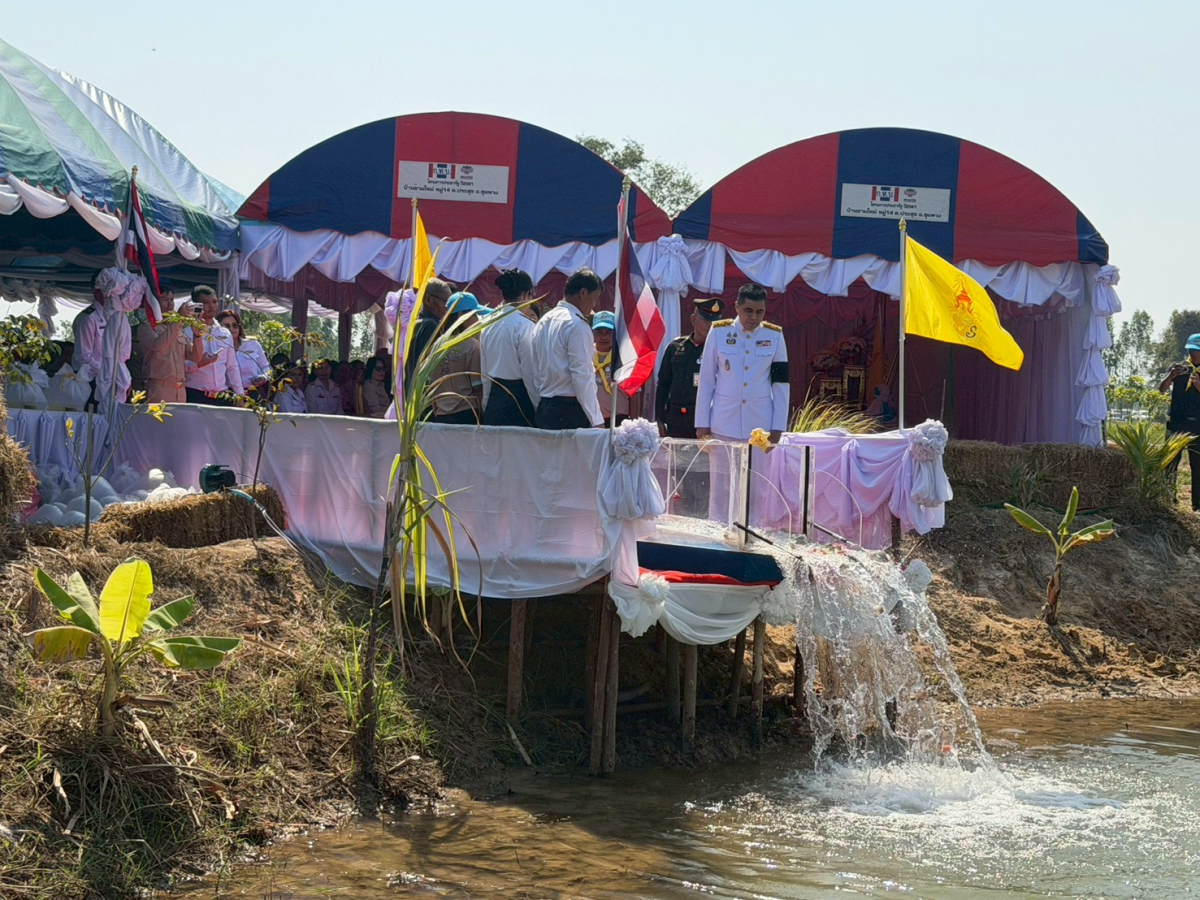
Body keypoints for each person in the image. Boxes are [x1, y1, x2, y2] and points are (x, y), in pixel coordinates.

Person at [695, 284, 789, 443]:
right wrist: (702, 423)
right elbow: (706, 379)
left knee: (757, 469)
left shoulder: (774, 335)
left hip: (760, 426)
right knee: (721, 469)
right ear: (737, 307)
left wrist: (778, 427)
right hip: (723, 423)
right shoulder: (719, 331)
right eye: (749, 311)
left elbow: (781, 384)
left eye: (760, 312)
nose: (754, 317)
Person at [531, 267, 606, 430]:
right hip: (570, 410)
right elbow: (582, 375)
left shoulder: (543, 321)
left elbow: (534, 370)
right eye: (595, 298)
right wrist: (596, 418)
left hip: (545, 407)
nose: (594, 305)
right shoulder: (577, 325)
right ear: (584, 293)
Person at [655, 297, 725, 438]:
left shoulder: (721, 351)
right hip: (675, 418)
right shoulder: (675, 347)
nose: (709, 326)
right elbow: (663, 384)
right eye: (706, 320)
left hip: (704, 420)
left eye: (714, 322)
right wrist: (659, 419)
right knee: (675, 459)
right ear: (693, 320)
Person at [481, 268, 539, 427]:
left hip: (494, 397)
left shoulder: (487, 323)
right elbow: (530, 373)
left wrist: (486, 404)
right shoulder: (524, 325)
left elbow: (484, 373)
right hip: (519, 401)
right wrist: (537, 405)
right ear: (528, 295)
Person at [429, 292, 485, 424]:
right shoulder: (472, 346)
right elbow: (478, 389)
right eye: (474, 315)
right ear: (462, 316)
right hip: (467, 414)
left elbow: (431, 385)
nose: (478, 319)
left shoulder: (436, 346)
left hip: (441, 415)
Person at [1159, 333, 1200, 511]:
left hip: (1197, 425)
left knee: (1197, 466)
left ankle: (1197, 504)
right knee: (1170, 463)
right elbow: (1161, 389)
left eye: (1197, 351)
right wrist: (1171, 376)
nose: (1193, 354)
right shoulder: (1179, 368)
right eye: (1191, 350)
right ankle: (1168, 498)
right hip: (1176, 422)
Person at [140, 292, 205, 403]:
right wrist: (178, 319)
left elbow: (195, 358)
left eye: (172, 299)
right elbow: (159, 346)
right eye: (165, 299)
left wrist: (197, 335)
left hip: (180, 389)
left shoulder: (178, 329)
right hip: (159, 388)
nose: (170, 303)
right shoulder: (146, 327)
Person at [183, 286, 243, 404]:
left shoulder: (224, 332)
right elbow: (180, 367)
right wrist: (199, 364)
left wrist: (240, 395)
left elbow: (232, 366)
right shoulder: (186, 332)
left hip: (221, 395)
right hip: (195, 394)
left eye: (214, 302)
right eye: (206, 303)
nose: (212, 306)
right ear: (196, 305)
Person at [404, 278, 454, 387]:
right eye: (446, 302)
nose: (449, 308)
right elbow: (432, 369)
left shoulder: (415, 324)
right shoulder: (430, 326)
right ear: (428, 300)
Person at [71, 271, 107, 409]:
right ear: (97, 291)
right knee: (91, 424)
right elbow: (83, 356)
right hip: (90, 381)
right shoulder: (87, 318)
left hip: (107, 380)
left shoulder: (113, 316)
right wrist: (106, 372)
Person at [218, 309, 271, 395]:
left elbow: (266, 368)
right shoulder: (218, 348)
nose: (232, 329)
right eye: (227, 326)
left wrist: (262, 377)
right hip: (229, 394)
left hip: (253, 392)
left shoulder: (253, 344)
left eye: (235, 325)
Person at [591, 310, 629, 425]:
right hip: (593, 416)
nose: (603, 337)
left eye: (608, 332)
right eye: (599, 332)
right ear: (593, 333)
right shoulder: (586, 353)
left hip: (618, 416)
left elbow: (634, 392)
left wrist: (632, 421)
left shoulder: (623, 356)